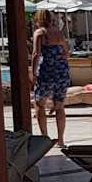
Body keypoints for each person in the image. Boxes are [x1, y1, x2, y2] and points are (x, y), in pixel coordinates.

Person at [31, 9, 71, 148]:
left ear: (38, 19)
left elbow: (36, 54)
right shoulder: (58, 33)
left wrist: (33, 72)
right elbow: (66, 52)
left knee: (39, 104)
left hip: (46, 72)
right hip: (61, 72)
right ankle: (61, 141)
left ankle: (45, 139)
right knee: (59, 106)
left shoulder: (40, 33)